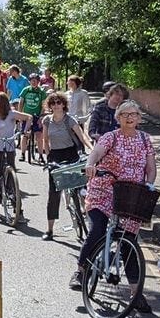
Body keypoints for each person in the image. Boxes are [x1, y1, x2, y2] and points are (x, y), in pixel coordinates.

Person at [71, 101, 157, 314]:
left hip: (131, 194)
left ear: (139, 118)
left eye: (134, 114)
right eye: (125, 114)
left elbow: (151, 167)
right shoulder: (111, 137)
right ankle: (80, 271)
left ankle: (136, 293)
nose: (129, 117)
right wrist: (90, 165)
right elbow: (96, 153)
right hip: (103, 190)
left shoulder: (145, 140)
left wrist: (150, 184)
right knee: (98, 229)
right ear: (118, 118)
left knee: (129, 242)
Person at [38, 93, 93, 240]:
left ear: (63, 104)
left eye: (59, 102)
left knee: (82, 188)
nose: (56, 105)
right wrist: (48, 158)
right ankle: (50, 230)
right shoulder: (46, 120)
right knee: (53, 193)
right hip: (55, 157)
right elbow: (45, 140)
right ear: (50, 106)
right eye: (53, 103)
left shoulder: (69, 119)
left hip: (71, 154)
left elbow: (82, 136)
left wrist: (92, 150)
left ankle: (88, 219)